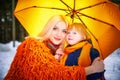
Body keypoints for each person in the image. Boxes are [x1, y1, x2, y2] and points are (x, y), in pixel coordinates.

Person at [4, 15, 104, 80]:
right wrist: (91, 69)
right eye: (55, 28)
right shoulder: (32, 45)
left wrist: (56, 59)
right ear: (48, 29)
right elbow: (52, 75)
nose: (59, 34)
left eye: (64, 31)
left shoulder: (58, 52)